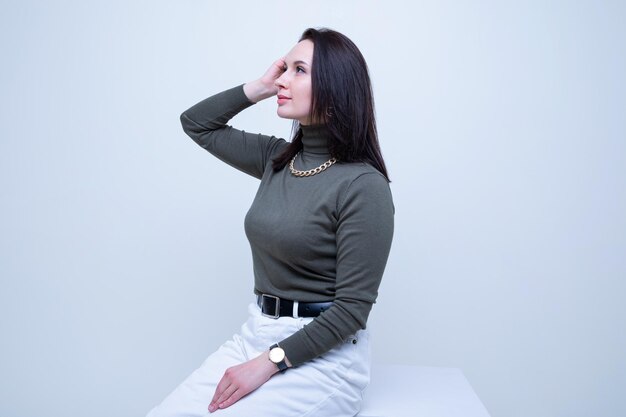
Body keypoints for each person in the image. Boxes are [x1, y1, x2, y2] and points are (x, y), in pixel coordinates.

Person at [146, 27, 394, 417]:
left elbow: (351, 312)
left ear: (336, 88)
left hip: (325, 359)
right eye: (283, 69)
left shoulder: (364, 186)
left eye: (298, 70)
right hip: (255, 335)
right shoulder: (277, 160)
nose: (281, 78)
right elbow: (196, 123)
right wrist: (259, 87)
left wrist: (269, 362)